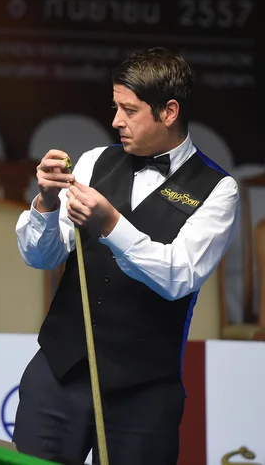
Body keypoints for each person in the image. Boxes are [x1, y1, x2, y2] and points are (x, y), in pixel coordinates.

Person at [12, 47, 239, 464]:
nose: (116, 121)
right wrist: (45, 202)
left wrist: (111, 223)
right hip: (58, 374)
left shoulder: (217, 190)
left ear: (169, 112)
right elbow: (40, 258)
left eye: (129, 110)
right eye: (115, 107)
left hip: (143, 394)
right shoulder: (95, 161)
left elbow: (178, 276)